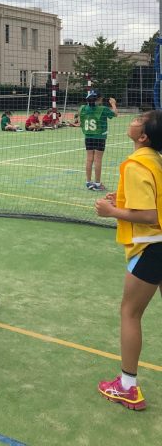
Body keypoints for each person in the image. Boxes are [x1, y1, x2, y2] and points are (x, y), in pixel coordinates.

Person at [94, 110, 162, 411]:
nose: (134, 119)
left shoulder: (136, 164)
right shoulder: (155, 160)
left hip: (151, 247)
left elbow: (150, 215)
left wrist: (112, 212)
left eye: (140, 119)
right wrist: (121, 200)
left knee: (130, 313)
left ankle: (127, 387)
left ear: (143, 136)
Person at [79, 90, 118, 191]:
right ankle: (97, 183)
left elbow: (81, 121)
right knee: (98, 160)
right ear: (99, 99)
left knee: (89, 159)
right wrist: (113, 104)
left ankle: (88, 182)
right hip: (99, 137)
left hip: (88, 136)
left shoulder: (82, 108)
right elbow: (115, 114)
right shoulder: (103, 109)